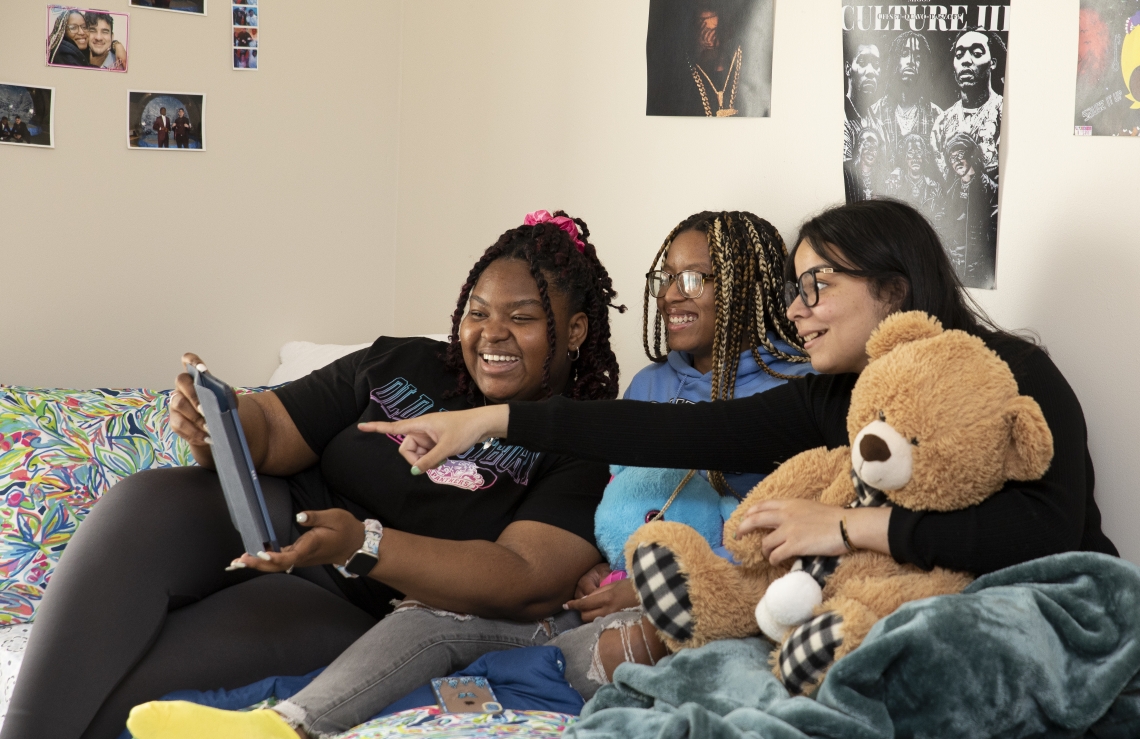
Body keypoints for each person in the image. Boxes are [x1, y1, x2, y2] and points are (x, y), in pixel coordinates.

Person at [0, 211, 624, 739]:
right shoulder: (401, 361)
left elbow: (523, 578)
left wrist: (365, 544)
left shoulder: (586, 444)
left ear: (573, 332)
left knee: (143, 664)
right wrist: (216, 418)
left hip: (348, 596)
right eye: (477, 313)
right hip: (270, 515)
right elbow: (270, 429)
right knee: (143, 500)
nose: (491, 334)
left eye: (523, 318)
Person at [363, 199, 1118, 626]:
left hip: (1051, 609)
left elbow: (1047, 535)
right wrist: (489, 422)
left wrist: (849, 526)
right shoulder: (837, 396)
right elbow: (673, 433)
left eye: (817, 285)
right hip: (901, 614)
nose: (797, 310)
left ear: (892, 288)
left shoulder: (1011, 373)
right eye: (794, 287)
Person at [548, 210, 812, 697]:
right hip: (627, 584)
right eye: (665, 278)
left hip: (724, 599)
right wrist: (604, 564)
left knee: (613, 650)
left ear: (747, 286)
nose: (672, 294)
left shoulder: (798, 386)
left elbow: (782, 538)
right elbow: (619, 495)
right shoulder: (650, 383)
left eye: (692, 278)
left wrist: (656, 588)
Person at [931, 30, 1005, 179]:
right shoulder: (941, 123)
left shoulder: (1004, 113)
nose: (965, 60)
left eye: (976, 53)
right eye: (959, 55)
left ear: (993, 63)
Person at [865, 32, 943, 168]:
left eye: (917, 57)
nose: (911, 61)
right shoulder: (873, 113)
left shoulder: (937, 116)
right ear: (895, 60)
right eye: (905, 53)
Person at [938, 134, 998, 289]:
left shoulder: (991, 189)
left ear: (971, 155)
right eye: (952, 158)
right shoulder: (951, 192)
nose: (956, 161)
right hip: (955, 270)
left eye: (960, 155)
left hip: (980, 271)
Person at [883, 133, 943, 218]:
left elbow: (941, 215)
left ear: (924, 155)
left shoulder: (935, 188)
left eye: (918, 152)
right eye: (910, 153)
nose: (915, 158)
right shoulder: (893, 186)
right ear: (905, 156)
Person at [843, 41, 880, 161]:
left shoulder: (879, 124)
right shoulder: (841, 119)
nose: (870, 71)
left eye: (875, 64)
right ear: (848, 69)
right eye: (862, 62)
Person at [843, 127, 886, 202]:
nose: (871, 151)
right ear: (859, 146)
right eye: (867, 145)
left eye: (874, 147)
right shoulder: (848, 172)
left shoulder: (883, 175)